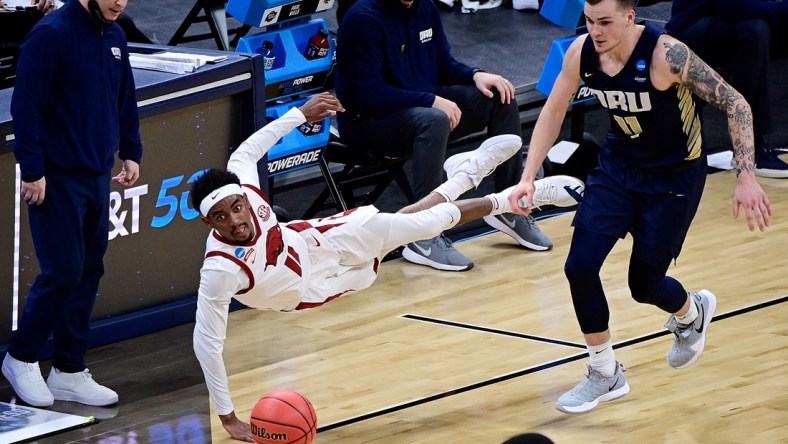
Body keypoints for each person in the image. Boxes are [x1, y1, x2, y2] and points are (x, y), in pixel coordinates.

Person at [190, 92, 583, 441]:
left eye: (237, 207)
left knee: (411, 226)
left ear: (243, 196)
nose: (236, 219)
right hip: (312, 287)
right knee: (405, 228)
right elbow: (207, 344)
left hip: (316, 240)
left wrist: (298, 115)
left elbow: (244, 153)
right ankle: (462, 176)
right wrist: (227, 417)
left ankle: (514, 199)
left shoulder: (244, 187)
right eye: (222, 217)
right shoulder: (220, 270)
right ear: (210, 223)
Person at [508, 0, 772, 414]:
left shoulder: (666, 54)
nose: (595, 31)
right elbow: (554, 109)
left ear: (630, 17)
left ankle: (691, 311)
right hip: (618, 170)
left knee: (644, 285)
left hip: (674, 178)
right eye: (590, 21)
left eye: (606, 22)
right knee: (579, 266)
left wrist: (746, 175)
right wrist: (528, 175)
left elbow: (736, 104)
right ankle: (604, 372)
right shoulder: (582, 53)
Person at [334, 0, 554, 273]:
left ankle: (510, 207)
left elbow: (442, 63)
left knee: (500, 96)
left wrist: (475, 75)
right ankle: (422, 234)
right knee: (434, 119)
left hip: (419, 107)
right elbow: (366, 93)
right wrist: (430, 100)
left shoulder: (425, 8)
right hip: (367, 122)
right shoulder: (362, 19)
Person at [3, 0, 142, 408]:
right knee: (62, 272)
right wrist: (32, 169)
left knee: (87, 270)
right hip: (54, 177)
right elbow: (25, 106)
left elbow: (124, 97)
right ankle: (21, 356)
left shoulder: (115, 35)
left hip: (96, 175)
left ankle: (68, 369)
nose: (120, 2)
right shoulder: (50, 35)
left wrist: (131, 150)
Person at [666, 0, 788, 178]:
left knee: (759, 29)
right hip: (691, 29)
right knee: (754, 32)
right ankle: (750, 151)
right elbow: (736, 8)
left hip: (730, 25)